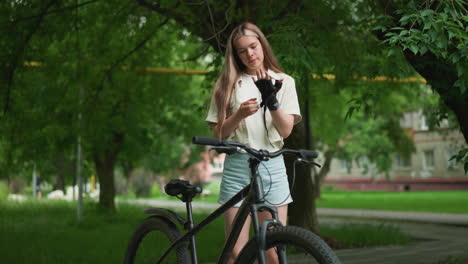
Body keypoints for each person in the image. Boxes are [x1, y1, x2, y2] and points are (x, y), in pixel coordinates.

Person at [205, 22, 301, 263]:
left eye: (253, 46)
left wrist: (272, 100)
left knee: (273, 251)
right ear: (235, 55)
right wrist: (238, 116)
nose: (249, 54)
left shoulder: (284, 82)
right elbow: (217, 135)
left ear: (262, 45)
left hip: (273, 167)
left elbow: (286, 130)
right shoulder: (226, 84)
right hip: (238, 167)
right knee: (235, 252)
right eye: (242, 50)